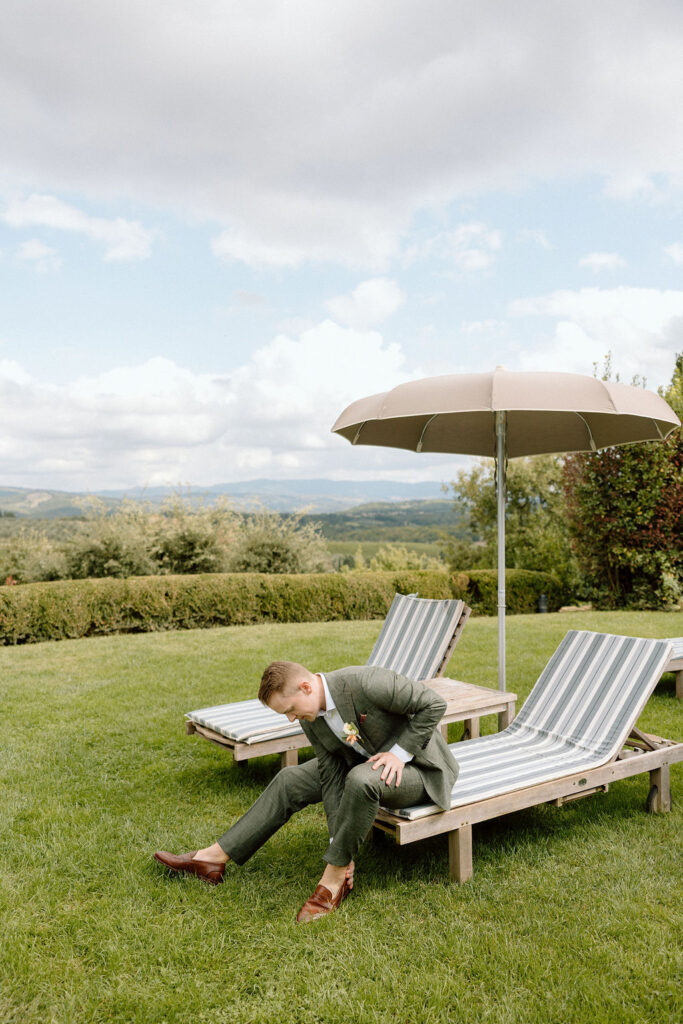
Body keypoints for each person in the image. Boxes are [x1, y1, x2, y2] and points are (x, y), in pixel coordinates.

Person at [154, 661, 459, 922]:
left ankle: (334, 877)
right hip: (363, 762)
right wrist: (337, 839)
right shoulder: (311, 717)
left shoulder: (367, 682)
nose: (290, 718)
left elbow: (433, 704)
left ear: (306, 687)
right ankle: (212, 859)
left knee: (361, 780)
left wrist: (398, 753)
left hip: (420, 770)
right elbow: (330, 775)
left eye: (290, 710)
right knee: (290, 779)